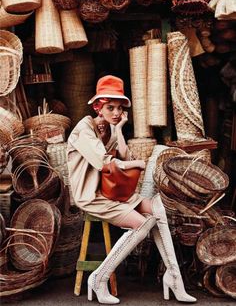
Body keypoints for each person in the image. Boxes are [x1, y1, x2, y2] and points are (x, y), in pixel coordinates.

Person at [67, 75, 196, 304]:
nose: (116, 112)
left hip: (112, 192)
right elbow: (105, 163)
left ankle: (174, 278)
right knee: (142, 224)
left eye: (119, 108)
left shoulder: (109, 128)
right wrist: (137, 165)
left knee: (157, 208)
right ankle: (98, 278)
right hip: (91, 195)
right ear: (98, 107)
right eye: (110, 107)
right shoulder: (84, 128)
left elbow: (124, 156)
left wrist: (118, 130)